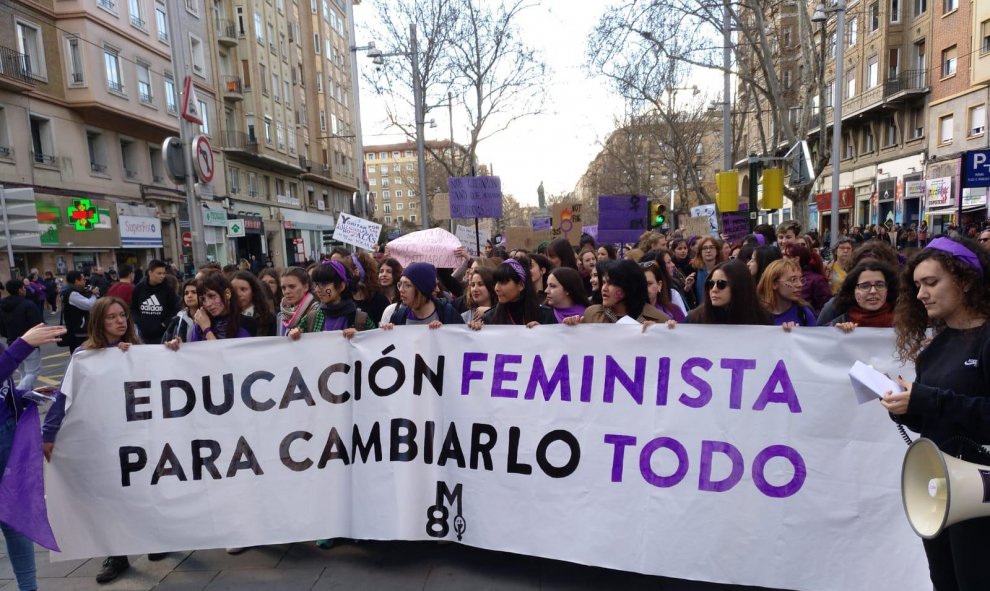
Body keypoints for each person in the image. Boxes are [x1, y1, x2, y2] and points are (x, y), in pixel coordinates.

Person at [886, 236, 990, 590]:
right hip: (942, 490)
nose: (921, 294)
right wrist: (903, 406)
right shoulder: (935, 348)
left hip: (981, 495)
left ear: (964, 280)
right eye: (917, 286)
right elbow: (932, 417)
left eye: (931, 283)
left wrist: (927, 399)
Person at [43, 297, 163, 583]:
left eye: (122, 315)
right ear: (99, 322)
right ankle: (116, 554)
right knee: (111, 497)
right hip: (104, 439)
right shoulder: (84, 355)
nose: (120, 321)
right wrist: (48, 433)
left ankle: (158, 539)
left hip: (138, 435)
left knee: (145, 491)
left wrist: (133, 356)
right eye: (111, 317)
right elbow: (63, 396)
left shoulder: (136, 349)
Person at [0, 322, 65, 591]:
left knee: (14, 519)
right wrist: (22, 345)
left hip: (7, 434)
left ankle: (29, 589)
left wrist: (23, 396)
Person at [567, 259, 669, 325]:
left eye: (611, 283)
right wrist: (572, 329)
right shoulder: (592, 315)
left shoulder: (659, 320)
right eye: (603, 282)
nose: (604, 288)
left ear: (629, 286)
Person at [686, 260, 772, 325]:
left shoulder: (762, 317)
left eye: (721, 284)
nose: (714, 289)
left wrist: (784, 331)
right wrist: (673, 328)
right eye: (711, 283)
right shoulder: (695, 318)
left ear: (739, 286)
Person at [381, 262, 463, 328]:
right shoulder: (399, 316)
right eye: (400, 284)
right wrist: (388, 334)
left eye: (407, 285)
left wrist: (443, 334)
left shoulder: (448, 314)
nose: (401, 290)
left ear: (422, 289)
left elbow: (463, 344)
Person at [827, 260, 898, 331]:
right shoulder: (840, 322)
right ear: (853, 290)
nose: (873, 291)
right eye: (865, 286)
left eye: (880, 285)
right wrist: (835, 332)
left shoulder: (903, 321)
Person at [0, 280, 44, 390]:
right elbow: (37, 325)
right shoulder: (27, 304)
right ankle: (18, 393)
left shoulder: (3, 306)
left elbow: (2, 327)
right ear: (20, 290)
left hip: (12, 343)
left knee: (23, 372)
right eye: (24, 288)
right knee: (33, 372)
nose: (25, 290)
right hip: (29, 343)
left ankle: (25, 397)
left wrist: (10, 335)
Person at [130, 260, 180, 344]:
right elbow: (133, 308)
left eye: (164, 273)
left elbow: (175, 309)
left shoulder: (168, 290)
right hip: (143, 334)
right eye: (159, 273)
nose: (162, 276)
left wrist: (164, 324)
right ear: (150, 272)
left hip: (162, 335)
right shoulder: (139, 288)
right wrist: (139, 322)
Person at [756, 260, 816, 327]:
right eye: (793, 280)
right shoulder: (757, 314)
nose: (800, 285)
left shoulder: (804, 313)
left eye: (801, 279)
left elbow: (814, 336)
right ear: (774, 284)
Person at [61, 270, 99, 352]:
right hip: (79, 332)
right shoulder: (72, 293)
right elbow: (89, 305)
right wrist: (94, 294)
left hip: (78, 330)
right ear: (76, 281)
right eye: (83, 279)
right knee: (83, 355)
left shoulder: (69, 291)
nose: (85, 281)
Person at [278, 267, 322, 338]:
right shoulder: (281, 316)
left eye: (292, 286)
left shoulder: (318, 311)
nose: (287, 291)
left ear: (306, 287)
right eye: (283, 288)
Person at [230, 271, 277, 336]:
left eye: (243, 289)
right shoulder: (228, 317)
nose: (238, 294)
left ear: (253, 291)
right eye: (234, 290)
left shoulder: (268, 318)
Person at [687, 236, 724, 306]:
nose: (708, 251)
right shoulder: (693, 270)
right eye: (705, 248)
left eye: (711, 247)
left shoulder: (724, 269)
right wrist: (687, 288)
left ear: (717, 250)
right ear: (700, 252)